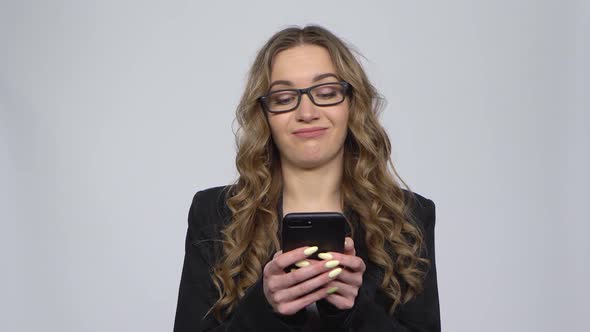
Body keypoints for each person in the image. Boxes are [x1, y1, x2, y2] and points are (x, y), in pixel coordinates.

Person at [173, 25, 440, 332]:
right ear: (265, 114)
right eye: (285, 97)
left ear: (352, 104)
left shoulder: (408, 216)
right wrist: (265, 307)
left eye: (326, 93)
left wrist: (353, 309)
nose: (307, 111)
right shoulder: (214, 213)